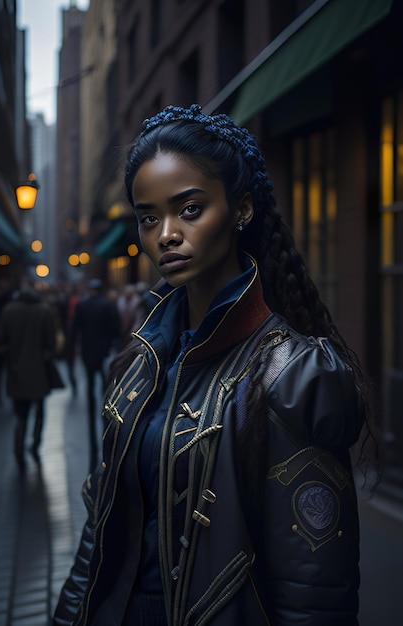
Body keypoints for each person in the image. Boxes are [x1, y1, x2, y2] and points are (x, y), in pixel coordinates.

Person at [54, 104, 381, 625]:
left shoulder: (293, 376)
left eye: (189, 209)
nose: (165, 234)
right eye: (148, 217)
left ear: (242, 209)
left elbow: (315, 592)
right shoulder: (139, 363)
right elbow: (99, 536)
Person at [0, 286, 58, 470]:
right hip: (39, 372)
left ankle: (18, 450)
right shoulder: (44, 311)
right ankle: (35, 445)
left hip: (16, 372)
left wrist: (11, 354)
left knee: (21, 415)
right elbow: (51, 343)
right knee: (39, 412)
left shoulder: (9, 310)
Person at [71, 278, 121, 471]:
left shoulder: (83, 305)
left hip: (87, 350)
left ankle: (93, 404)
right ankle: (104, 405)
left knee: (91, 381)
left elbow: (75, 328)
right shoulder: (108, 305)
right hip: (103, 350)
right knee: (104, 383)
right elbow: (115, 328)